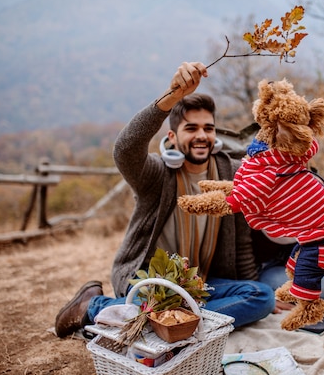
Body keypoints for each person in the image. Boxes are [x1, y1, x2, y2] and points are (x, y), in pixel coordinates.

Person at [54, 61, 275, 338]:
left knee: (263, 296)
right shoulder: (157, 175)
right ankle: (94, 305)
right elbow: (125, 149)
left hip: (202, 284)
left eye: (208, 128)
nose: (201, 135)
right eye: (191, 128)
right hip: (152, 283)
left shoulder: (231, 172)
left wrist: (248, 298)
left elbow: (241, 243)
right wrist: (170, 97)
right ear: (172, 137)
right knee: (150, 310)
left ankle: (173, 320)